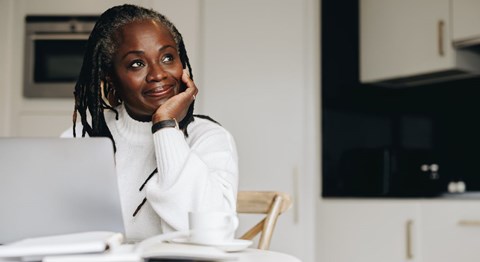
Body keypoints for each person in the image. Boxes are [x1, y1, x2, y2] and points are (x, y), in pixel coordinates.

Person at [64, 4, 239, 242]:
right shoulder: (81, 137)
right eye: (137, 63)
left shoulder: (209, 138)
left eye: (167, 57)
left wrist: (165, 126)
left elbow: (212, 236)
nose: (158, 74)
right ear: (110, 78)